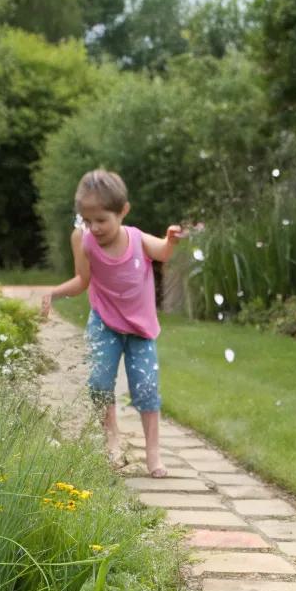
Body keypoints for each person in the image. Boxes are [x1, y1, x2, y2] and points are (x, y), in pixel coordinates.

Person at [41, 169, 181, 478]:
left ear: (123, 211)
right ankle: (112, 439)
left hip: (140, 330)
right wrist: (54, 291)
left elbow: (163, 252)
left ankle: (153, 452)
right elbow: (82, 280)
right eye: (87, 221)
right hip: (103, 324)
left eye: (101, 220)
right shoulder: (84, 240)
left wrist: (170, 240)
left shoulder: (137, 239)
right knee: (100, 383)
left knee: (146, 387)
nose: (94, 228)